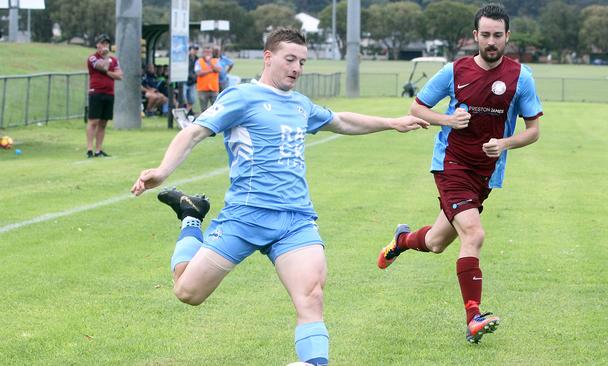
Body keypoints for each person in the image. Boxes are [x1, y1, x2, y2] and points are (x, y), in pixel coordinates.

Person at [131, 28, 428, 366]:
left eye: (302, 61)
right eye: (290, 59)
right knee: (187, 292)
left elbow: (341, 121)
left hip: (294, 221)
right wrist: (163, 171)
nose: (297, 68)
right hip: (244, 217)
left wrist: (392, 122)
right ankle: (191, 218)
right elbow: (194, 132)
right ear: (268, 58)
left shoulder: (301, 105)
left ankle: (316, 362)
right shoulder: (240, 97)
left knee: (312, 296)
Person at [376, 3, 542, 344]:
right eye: (485, 35)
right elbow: (417, 108)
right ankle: (473, 318)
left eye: (498, 35)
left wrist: (506, 143)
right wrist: (448, 120)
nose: (491, 41)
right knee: (474, 235)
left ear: (507, 36)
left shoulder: (520, 77)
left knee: (436, 243)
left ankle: (402, 240)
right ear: (474, 36)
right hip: (451, 164)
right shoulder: (454, 71)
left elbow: (534, 130)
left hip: (485, 174)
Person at [86, 33, 122, 158]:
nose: (105, 46)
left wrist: (107, 72)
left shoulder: (114, 60)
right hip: (96, 92)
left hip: (109, 93)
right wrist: (106, 59)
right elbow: (103, 67)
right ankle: (89, 150)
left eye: (107, 43)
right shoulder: (92, 58)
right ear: (97, 45)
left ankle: (98, 150)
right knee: (93, 121)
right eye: (102, 43)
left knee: (103, 123)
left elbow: (120, 76)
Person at [194, 46, 221, 112]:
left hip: (214, 89)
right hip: (202, 89)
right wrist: (211, 70)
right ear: (203, 53)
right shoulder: (198, 61)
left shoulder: (215, 61)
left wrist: (210, 62)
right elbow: (198, 73)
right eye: (206, 52)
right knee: (203, 109)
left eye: (209, 52)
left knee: (216, 109)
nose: (207, 54)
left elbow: (218, 70)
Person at [184, 44, 200, 115]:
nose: (195, 51)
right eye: (194, 49)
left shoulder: (198, 59)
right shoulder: (185, 58)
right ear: (190, 50)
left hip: (193, 82)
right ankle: (183, 112)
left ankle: (187, 112)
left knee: (192, 99)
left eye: (196, 50)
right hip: (185, 81)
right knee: (183, 98)